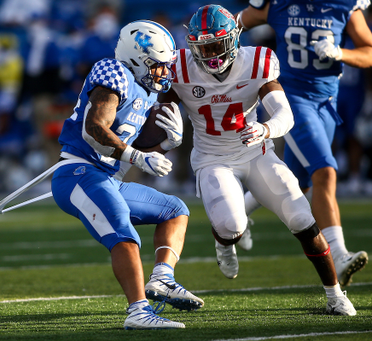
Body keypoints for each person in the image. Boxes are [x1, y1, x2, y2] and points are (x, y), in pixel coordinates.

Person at [159, 4, 356, 316]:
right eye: (203, 47)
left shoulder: (257, 61)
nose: (211, 55)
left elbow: (285, 115)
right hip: (213, 159)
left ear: (234, 40)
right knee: (231, 225)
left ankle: (335, 295)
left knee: (301, 218)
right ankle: (224, 242)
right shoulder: (179, 67)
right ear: (191, 46)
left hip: (255, 151)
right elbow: (160, 113)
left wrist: (265, 129)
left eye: (216, 45)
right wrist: (166, 135)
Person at [51, 20, 204, 329]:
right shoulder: (114, 72)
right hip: (78, 172)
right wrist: (137, 156)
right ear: (136, 57)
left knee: (175, 210)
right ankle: (138, 312)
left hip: (108, 178)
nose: (163, 72)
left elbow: (136, 144)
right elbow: (95, 129)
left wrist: (165, 143)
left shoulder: (146, 90)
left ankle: (162, 278)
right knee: (123, 234)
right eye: (156, 64)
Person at [236, 0, 371, 287]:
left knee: (299, 182)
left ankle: (237, 213)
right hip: (292, 99)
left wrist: (340, 53)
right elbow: (232, 25)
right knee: (325, 170)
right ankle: (339, 253)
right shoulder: (279, 4)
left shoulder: (346, 6)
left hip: (326, 102)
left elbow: (369, 51)